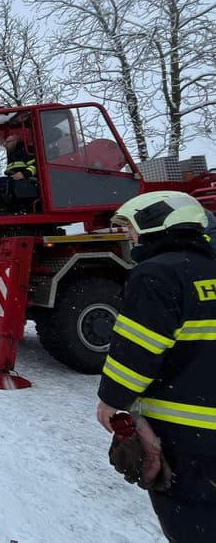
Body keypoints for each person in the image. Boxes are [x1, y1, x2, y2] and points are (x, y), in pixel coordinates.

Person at [95, 191, 216, 542]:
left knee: (194, 524)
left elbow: (136, 350)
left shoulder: (157, 275)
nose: (129, 238)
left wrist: (111, 401)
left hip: (189, 436)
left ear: (155, 222)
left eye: (131, 229)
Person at [0, 134, 37, 213]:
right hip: (15, 183)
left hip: (27, 184)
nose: (5, 144)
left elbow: (36, 165)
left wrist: (24, 174)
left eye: (8, 142)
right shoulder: (12, 155)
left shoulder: (26, 151)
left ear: (15, 142)